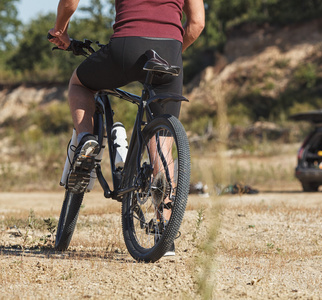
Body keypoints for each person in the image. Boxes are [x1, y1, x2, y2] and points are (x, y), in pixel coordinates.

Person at [48, 0, 205, 194]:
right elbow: (197, 23)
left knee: (80, 84)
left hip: (126, 46)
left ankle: (86, 140)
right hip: (169, 52)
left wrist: (60, 29)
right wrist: (170, 55)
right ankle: (164, 220)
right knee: (162, 146)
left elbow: (70, 3)